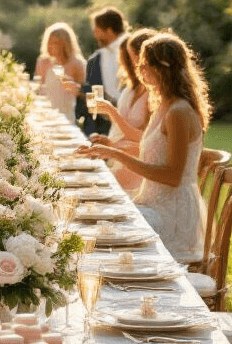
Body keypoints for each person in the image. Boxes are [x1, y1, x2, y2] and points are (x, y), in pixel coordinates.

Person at [79, 31, 212, 263]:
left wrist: (116, 153)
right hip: (153, 202)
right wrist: (111, 148)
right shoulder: (164, 104)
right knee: (97, 223)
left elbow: (172, 175)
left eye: (144, 65)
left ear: (162, 69)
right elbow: (151, 151)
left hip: (172, 213)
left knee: (104, 232)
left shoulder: (179, 112)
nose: (139, 69)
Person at [92, 27, 156, 190]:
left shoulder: (154, 93)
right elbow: (125, 125)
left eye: (133, 57)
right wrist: (110, 143)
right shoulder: (132, 87)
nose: (133, 63)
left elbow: (145, 140)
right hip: (123, 156)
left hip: (139, 168)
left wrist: (111, 112)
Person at [75, 6, 128, 135]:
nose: (94, 35)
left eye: (97, 31)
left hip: (131, 120)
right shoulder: (97, 58)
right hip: (105, 123)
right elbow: (93, 91)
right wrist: (80, 89)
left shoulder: (132, 50)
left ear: (109, 31)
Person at [34, 22, 86, 124]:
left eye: (56, 43)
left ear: (65, 44)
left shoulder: (77, 64)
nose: (51, 46)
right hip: (44, 115)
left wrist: (77, 91)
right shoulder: (43, 61)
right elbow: (38, 88)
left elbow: (86, 94)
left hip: (65, 116)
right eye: (49, 42)